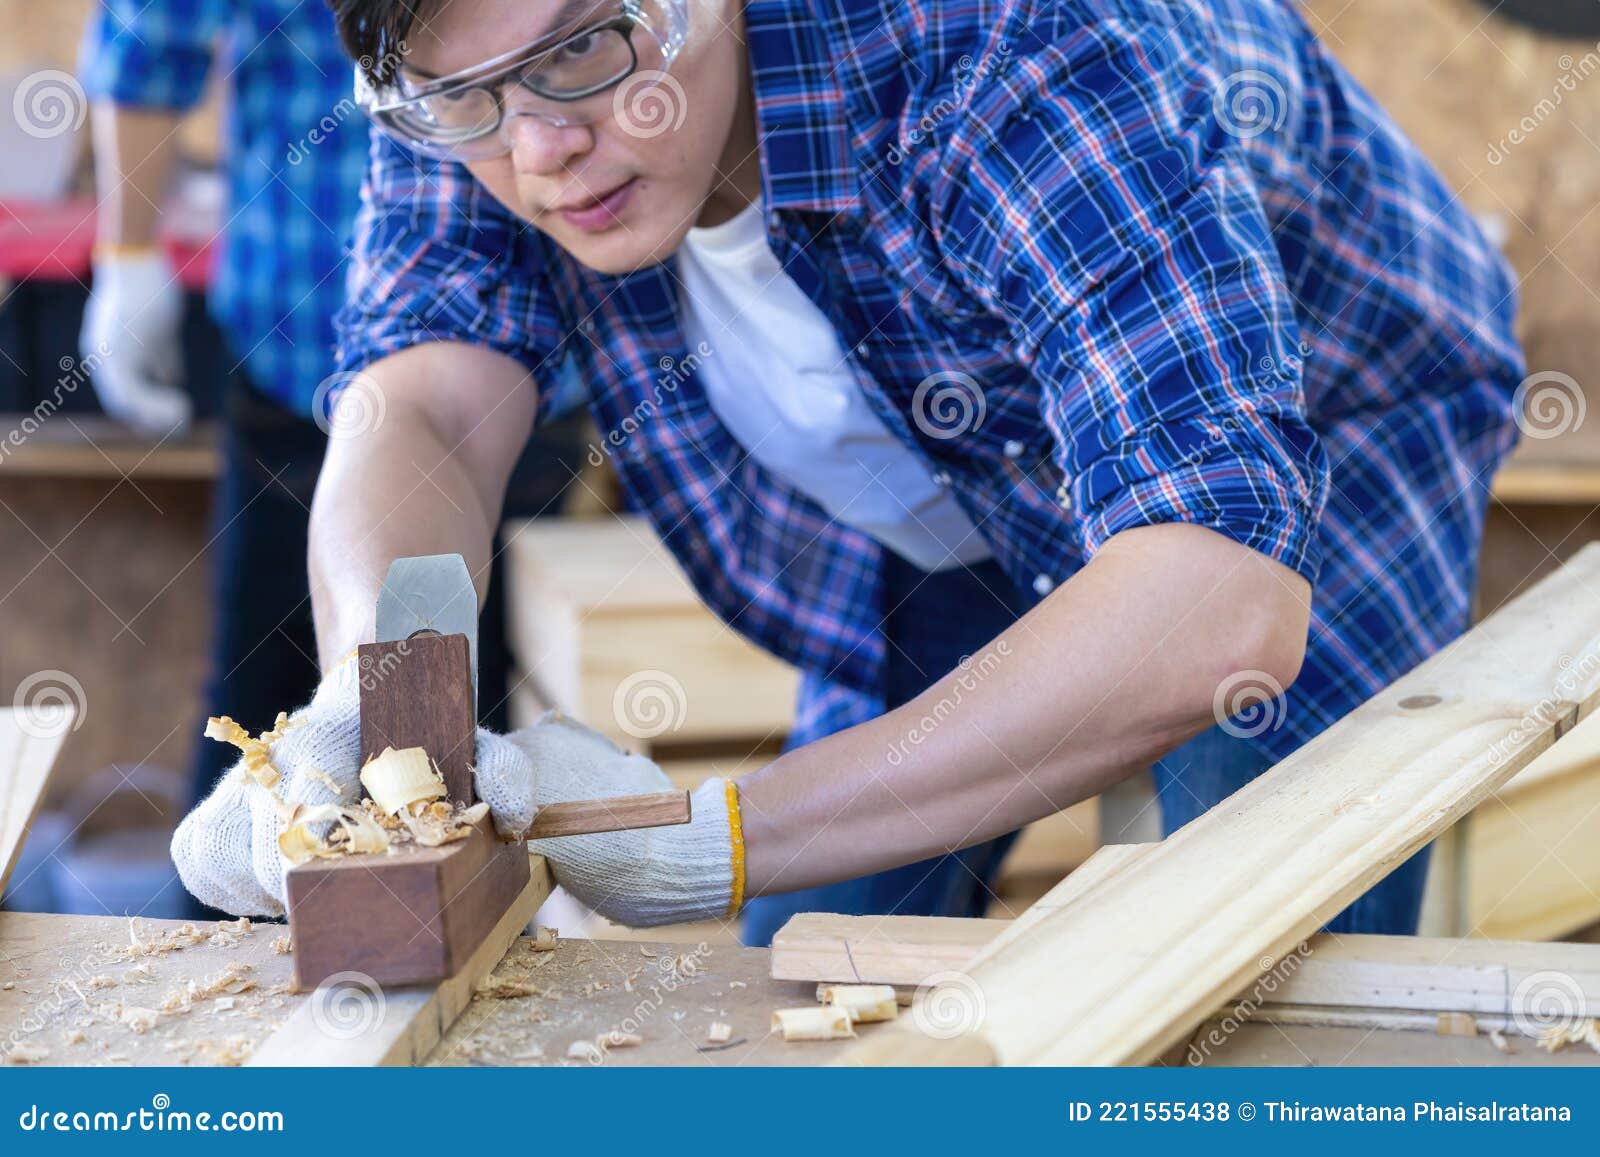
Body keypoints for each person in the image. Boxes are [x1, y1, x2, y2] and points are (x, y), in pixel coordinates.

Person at [170, 0, 1524, 940]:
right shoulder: (483, 73)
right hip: (951, 482)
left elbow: (1220, 599)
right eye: (469, 101)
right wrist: (381, 688)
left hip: (1315, 431)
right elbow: (426, 400)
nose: (537, 151)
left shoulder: (1006, 47)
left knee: (1252, 967)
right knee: (805, 972)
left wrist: (714, 830)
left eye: (583, 52)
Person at [79, 0, 581, 918]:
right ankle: (248, 941)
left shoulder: (512, 142)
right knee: (269, 720)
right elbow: (148, 44)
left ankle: (458, 926)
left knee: (484, 733)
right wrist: (128, 254)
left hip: (534, 365)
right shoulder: (427, 152)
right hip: (295, 332)